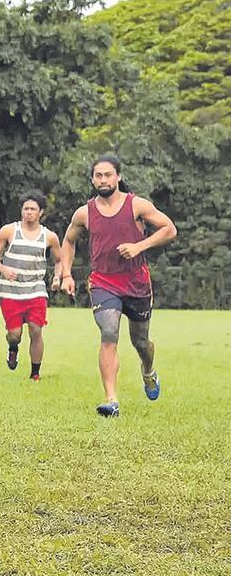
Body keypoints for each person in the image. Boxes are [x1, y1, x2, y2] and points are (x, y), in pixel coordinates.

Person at [60, 155, 177, 417]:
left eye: (108, 175)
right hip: (103, 281)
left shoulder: (136, 205)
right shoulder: (84, 213)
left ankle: (148, 371)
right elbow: (68, 241)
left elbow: (169, 229)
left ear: (118, 177)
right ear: (92, 180)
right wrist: (66, 274)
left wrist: (139, 246)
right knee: (109, 331)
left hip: (136, 282)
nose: (103, 180)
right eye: (98, 175)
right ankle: (111, 400)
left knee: (141, 342)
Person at [0, 190, 63, 380]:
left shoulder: (49, 236)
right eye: (26, 208)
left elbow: (59, 260)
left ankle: (35, 374)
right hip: (11, 291)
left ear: (41, 212)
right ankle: (13, 347)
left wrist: (57, 278)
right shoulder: (9, 231)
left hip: (36, 290)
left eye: (33, 209)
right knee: (15, 334)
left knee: (36, 330)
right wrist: (3, 269)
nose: (29, 212)